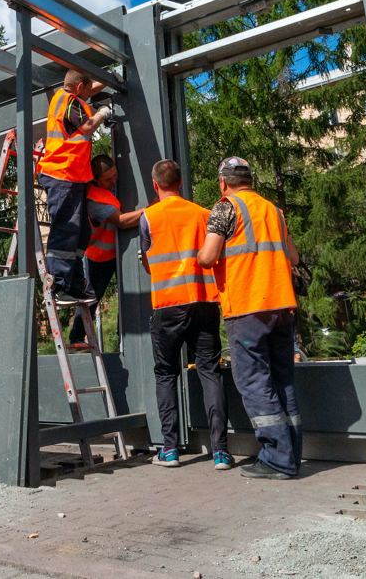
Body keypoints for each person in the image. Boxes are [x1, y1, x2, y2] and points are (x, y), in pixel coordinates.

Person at [197, 157, 302, 480]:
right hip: (281, 304)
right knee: (282, 380)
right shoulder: (273, 211)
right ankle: (291, 454)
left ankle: (276, 460)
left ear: (223, 182)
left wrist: (200, 256)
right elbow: (293, 256)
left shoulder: (225, 208)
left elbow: (208, 256)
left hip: (247, 306)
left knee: (254, 381)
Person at [141, 159, 231, 471]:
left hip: (167, 305)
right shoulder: (204, 214)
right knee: (209, 372)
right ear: (180, 183)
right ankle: (220, 452)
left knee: (166, 373)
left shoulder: (148, 217)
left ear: (155, 185)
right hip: (204, 302)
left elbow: (147, 262)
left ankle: (170, 450)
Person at [37, 69, 113, 305]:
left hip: (73, 176)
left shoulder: (70, 98)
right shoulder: (68, 101)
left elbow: (87, 92)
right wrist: (103, 112)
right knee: (65, 229)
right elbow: (88, 126)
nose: (90, 94)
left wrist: (111, 78)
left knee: (81, 233)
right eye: (88, 90)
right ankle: (59, 284)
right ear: (80, 87)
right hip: (62, 175)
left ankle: (75, 285)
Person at [70, 154, 143, 346]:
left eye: (115, 176)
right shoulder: (95, 200)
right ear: (96, 179)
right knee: (92, 297)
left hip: (115, 252)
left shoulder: (106, 191)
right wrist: (150, 210)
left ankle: (122, 334)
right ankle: (77, 338)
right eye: (108, 179)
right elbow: (122, 221)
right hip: (99, 257)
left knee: (126, 295)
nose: (113, 181)